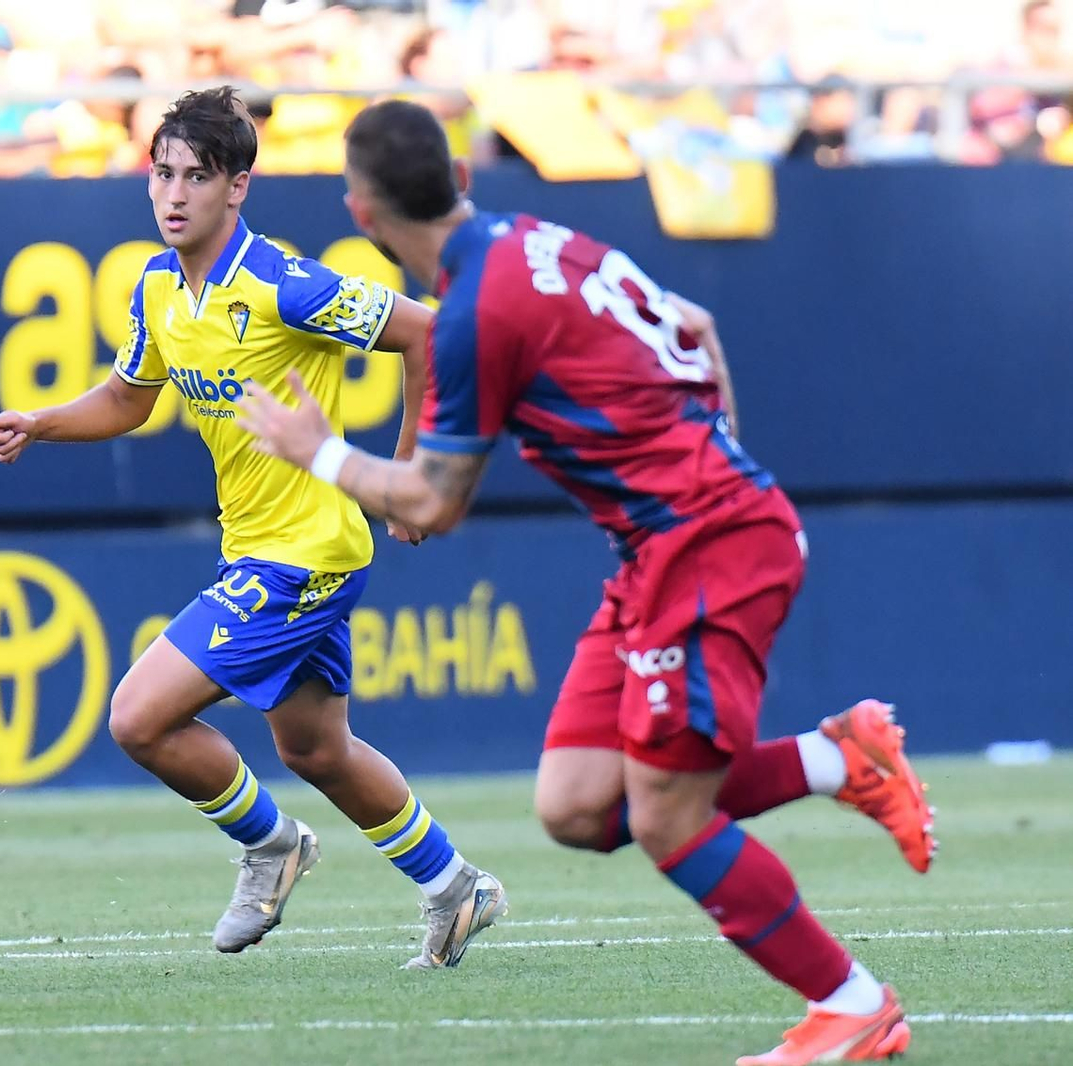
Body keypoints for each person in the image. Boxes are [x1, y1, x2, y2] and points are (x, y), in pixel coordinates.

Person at [239, 99, 935, 1064]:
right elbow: (695, 323)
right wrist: (713, 454)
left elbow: (433, 507)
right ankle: (838, 760)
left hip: (706, 544)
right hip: (668, 546)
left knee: (666, 816)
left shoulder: (475, 316)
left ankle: (854, 1006)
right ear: (464, 181)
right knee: (576, 806)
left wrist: (322, 455)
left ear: (361, 214)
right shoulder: (537, 238)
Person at [0, 86, 506, 969]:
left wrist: (412, 476)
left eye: (198, 176)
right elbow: (124, 400)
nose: (174, 194)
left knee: (138, 717)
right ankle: (455, 886)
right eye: (162, 173)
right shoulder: (158, 290)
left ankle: (271, 848)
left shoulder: (280, 283)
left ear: (239, 189)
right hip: (267, 549)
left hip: (304, 554)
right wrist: (43, 422)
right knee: (315, 747)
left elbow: (424, 333)